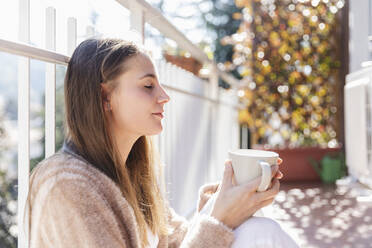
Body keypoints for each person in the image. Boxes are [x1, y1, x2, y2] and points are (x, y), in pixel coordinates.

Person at [25, 38, 297, 248]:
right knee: (262, 234)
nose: (164, 96)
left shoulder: (129, 172)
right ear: (104, 97)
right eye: (147, 86)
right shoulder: (68, 186)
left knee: (258, 229)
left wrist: (211, 211)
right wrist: (219, 222)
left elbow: (176, 241)